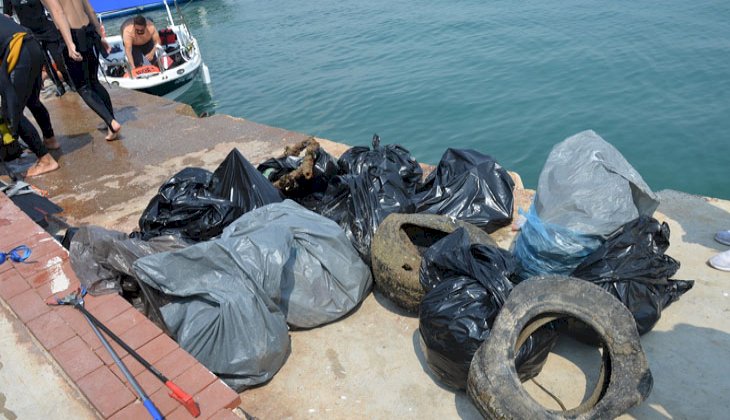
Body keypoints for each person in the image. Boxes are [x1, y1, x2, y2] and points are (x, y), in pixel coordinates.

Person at [0, 13, 62, 176]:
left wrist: (8, 107)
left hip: (18, 52)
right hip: (32, 45)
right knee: (32, 101)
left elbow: (3, 82)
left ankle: (45, 160)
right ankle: (50, 140)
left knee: (12, 113)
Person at [58, 0, 121, 141]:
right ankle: (110, 120)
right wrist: (101, 36)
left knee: (83, 88)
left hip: (73, 35)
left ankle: (111, 123)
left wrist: (69, 44)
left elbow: (59, 13)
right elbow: (91, 11)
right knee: (94, 81)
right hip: (89, 32)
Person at [3, 0, 72, 96]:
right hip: (30, 32)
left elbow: (52, 6)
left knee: (58, 58)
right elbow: (7, 15)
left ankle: (69, 81)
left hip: (46, 27)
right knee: (45, 62)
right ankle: (58, 85)